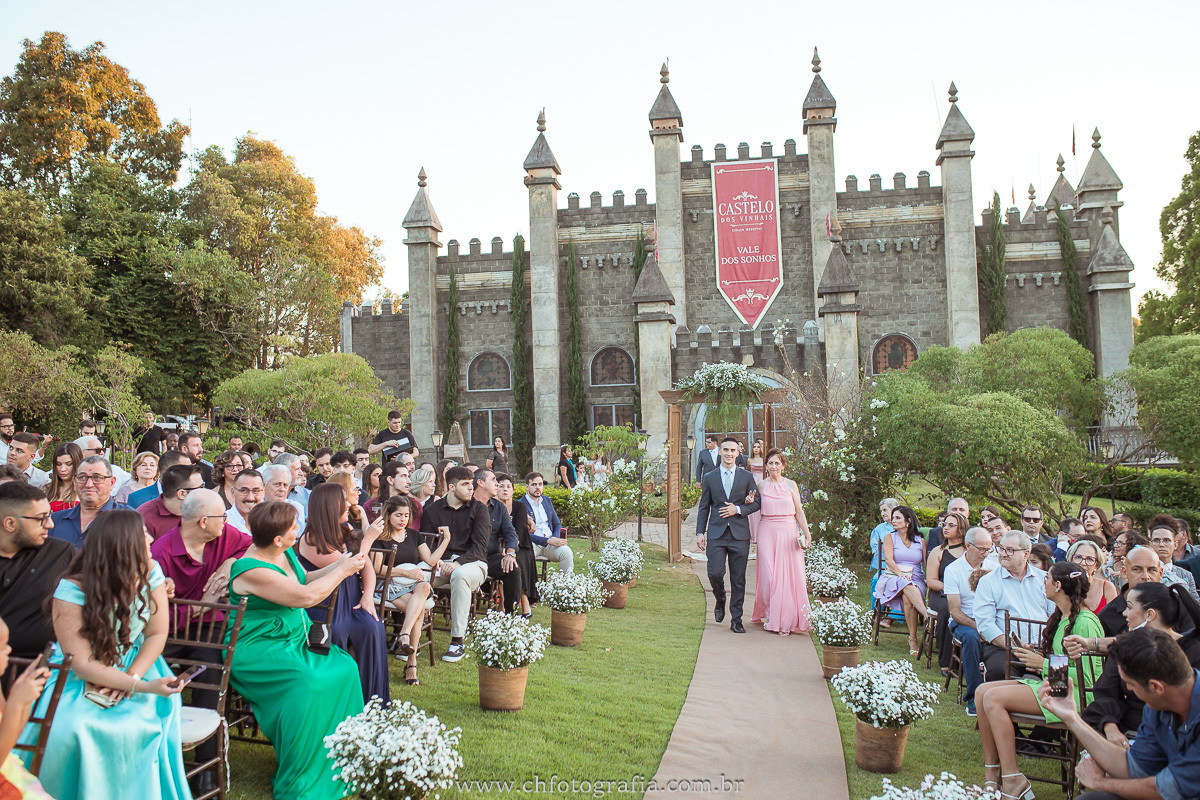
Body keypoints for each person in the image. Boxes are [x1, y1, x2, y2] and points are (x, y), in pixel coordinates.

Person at [27, 510, 191, 800]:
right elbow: (81, 662)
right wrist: (138, 686)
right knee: (74, 726)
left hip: (138, 662)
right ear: (121, 543)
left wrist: (132, 677)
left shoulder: (150, 570)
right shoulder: (71, 589)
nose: (150, 538)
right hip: (78, 674)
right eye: (142, 535)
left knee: (138, 723)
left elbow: (156, 634)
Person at [228, 501, 367, 800]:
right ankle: (303, 770)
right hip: (258, 647)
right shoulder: (249, 568)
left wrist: (342, 563)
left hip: (293, 638)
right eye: (294, 527)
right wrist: (342, 571)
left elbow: (304, 579)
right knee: (309, 683)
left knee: (345, 668)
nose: (299, 530)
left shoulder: (284, 552)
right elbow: (305, 597)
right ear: (277, 538)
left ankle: (345, 757)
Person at [150, 488, 251, 794]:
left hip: (209, 630)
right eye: (222, 516)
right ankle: (158, 753)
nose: (228, 520)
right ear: (204, 521)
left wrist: (231, 563)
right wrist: (202, 604)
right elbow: (156, 615)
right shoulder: (162, 554)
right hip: (167, 632)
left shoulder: (224, 537)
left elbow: (252, 545)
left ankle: (206, 766)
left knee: (210, 668)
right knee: (156, 672)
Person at [974, 562, 1104, 800]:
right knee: (982, 691)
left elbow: (1088, 680)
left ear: (1058, 585)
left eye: (1046, 579)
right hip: (1058, 685)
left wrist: (1041, 664)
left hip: (1074, 697)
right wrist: (1037, 656)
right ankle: (992, 775)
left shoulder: (1084, 621)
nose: (1042, 583)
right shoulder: (1062, 617)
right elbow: (1064, 664)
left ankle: (1013, 778)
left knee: (993, 698)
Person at [1036, 627, 1200, 800]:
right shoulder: (1158, 707)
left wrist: (1099, 782)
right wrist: (1072, 718)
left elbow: (1172, 790)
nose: (1128, 689)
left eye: (1130, 684)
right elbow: (1133, 767)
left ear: (1155, 687)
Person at [296, 483, 388, 704]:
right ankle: (343, 700)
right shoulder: (311, 540)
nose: (348, 504)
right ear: (329, 507)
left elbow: (366, 567)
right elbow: (351, 565)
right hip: (326, 607)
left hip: (352, 601)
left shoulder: (345, 530)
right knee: (339, 632)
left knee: (373, 626)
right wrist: (368, 540)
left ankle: (372, 701)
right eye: (342, 501)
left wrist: (367, 596)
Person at [1081, 582, 1200, 748]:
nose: (1124, 613)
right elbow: (1106, 692)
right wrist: (1110, 727)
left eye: (1129, 607)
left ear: (1149, 614)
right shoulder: (1127, 646)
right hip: (1127, 731)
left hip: (1178, 738)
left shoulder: (1193, 651)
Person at [370, 495, 449, 685]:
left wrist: (446, 540)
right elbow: (377, 568)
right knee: (419, 609)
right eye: (398, 515)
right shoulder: (379, 537)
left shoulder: (413, 535)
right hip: (389, 584)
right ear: (388, 515)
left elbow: (430, 561)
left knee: (423, 586)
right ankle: (411, 664)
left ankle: (404, 634)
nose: (403, 519)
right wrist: (406, 574)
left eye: (406, 515)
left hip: (413, 585)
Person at [420, 466, 491, 662]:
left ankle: (457, 641)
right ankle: (412, 637)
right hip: (440, 564)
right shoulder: (432, 511)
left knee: (460, 576)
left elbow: (479, 548)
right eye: (466, 484)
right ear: (451, 487)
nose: (471, 488)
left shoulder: (479, 509)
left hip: (473, 564)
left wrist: (458, 563)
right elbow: (426, 543)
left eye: (471, 484)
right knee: (417, 575)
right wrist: (438, 561)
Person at [694, 437, 762, 634]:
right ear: (720, 452)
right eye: (726, 450)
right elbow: (704, 507)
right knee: (714, 573)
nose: (729, 453)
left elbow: (756, 503)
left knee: (738, 578)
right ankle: (720, 598)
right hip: (716, 533)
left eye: (733, 450)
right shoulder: (710, 477)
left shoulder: (746, 476)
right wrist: (700, 532)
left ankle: (736, 619)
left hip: (739, 534)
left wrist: (738, 509)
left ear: (738, 453)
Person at [0, 483, 76, 658]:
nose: (50, 524)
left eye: (49, 516)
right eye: (41, 518)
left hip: (44, 670)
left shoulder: (62, 553)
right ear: (10, 523)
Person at [973, 530, 1055, 683]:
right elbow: (985, 624)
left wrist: (1045, 652)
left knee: (1058, 679)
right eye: (1001, 548)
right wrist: (1016, 647)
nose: (1003, 554)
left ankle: (1058, 704)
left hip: (1045, 648)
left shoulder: (1044, 579)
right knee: (998, 671)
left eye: (1010, 550)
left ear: (1026, 554)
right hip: (1005, 648)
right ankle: (999, 704)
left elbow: (1054, 615)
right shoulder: (988, 581)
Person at [749, 448, 812, 635]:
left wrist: (807, 534)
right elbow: (753, 506)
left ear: (783, 465)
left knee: (790, 576)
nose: (774, 466)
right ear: (766, 466)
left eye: (777, 463)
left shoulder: (791, 485)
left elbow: (799, 511)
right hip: (767, 530)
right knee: (769, 576)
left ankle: (783, 618)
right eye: (770, 463)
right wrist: (748, 500)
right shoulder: (761, 486)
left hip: (788, 530)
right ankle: (770, 611)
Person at [0, 613, 55, 798]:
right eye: (2, 647)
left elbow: (13, 735)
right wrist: (15, 703)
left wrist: (24, 698)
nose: (9, 650)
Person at [945, 526, 996, 716]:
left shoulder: (994, 567)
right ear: (968, 545)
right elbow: (954, 610)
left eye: (989, 549)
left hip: (989, 619)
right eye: (982, 549)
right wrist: (980, 627)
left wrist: (990, 627)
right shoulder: (954, 570)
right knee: (972, 638)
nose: (985, 553)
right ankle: (974, 696)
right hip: (965, 620)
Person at [875, 505, 931, 655]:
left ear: (908, 521)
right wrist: (901, 574)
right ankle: (928, 617)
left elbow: (926, 564)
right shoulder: (890, 537)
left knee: (908, 597)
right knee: (906, 582)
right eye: (893, 518)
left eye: (897, 518)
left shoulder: (920, 541)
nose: (893, 520)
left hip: (916, 578)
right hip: (893, 576)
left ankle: (913, 639)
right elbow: (888, 560)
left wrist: (931, 579)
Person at [49, 456, 129, 548]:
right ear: (74, 482)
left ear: (112, 483)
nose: (89, 484)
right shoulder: (56, 521)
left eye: (97, 478)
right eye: (82, 477)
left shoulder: (128, 521)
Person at [473, 469, 522, 617]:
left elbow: (510, 533)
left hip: (491, 558)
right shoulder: (467, 505)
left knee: (513, 569)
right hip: (470, 557)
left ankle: (511, 617)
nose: (497, 484)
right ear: (480, 483)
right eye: (494, 480)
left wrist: (510, 553)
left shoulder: (498, 507)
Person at [926, 511, 968, 671]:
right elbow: (931, 581)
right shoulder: (939, 551)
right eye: (944, 525)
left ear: (962, 529)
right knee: (948, 609)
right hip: (941, 594)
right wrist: (952, 588)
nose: (946, 528)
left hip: (966, 594)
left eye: (951, 525)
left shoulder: (968, 551)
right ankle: (946, 661)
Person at [497, 474, 537, 616]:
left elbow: (519, 529)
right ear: (495, 489)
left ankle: (524, 601)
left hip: (520, 546)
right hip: (498, 546)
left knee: (516, 561)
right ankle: (502, 601)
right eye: (501, 486)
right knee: (502, 559)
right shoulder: (492, 507)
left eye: (508, 486)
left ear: (513, 490)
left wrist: (510, 547)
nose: (505, 489)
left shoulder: (520, 506)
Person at [519, 472, 573, 573]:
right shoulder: (520, 504)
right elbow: (523, 534)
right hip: (532, 544)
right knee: (524, 555)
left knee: (567, 552)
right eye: (534, 484)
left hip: (551, 544)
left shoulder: (546, 500)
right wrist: (547, 541)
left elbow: (557, 524)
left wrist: (555, 538)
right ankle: (528, 587)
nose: (538, 487)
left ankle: (566, 585)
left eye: (540, 484)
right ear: (527, 487)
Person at [137, 464, 204, 542]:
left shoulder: (205, 511)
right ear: (182, 494)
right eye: (201, 487)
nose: (205, 491)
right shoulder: (145, 517)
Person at [1148, 515, 1200, 601]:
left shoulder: (1186, 575)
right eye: (1156, 540)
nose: (1161, 544)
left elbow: (1195, 605)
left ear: (1175, 545)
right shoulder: (1143, 572)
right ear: (1150, 544)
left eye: (1166, 540)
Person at [127, 449, 191, 510]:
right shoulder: (137, 498)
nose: (191, 473)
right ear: (170, 471)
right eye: (186, 469)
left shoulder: (193, 494)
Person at [1069, 537, 1120, 613]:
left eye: (1090, 559)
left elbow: (1113, 619)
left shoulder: (1107, 588)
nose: (1083, 563)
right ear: (1070, 560)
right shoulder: (1062, 586)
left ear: (1096, 566)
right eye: (1078, 557)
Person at [258, 463, 307, 530]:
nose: (282, 489)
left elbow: (297, 537)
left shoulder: (297, 509)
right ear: (264, 485)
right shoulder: (254, 507)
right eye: (277, 484)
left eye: (285, 485)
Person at [45, 441, 82, 512]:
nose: (62, 469)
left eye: (68, 464)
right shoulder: (47, 489)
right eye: (58, 464)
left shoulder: (85, 489)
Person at [226, 469, 264, 535]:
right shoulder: (224, 523)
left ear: (263, 492)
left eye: (255, 491)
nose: (250, 497)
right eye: (244, 491)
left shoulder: (270, 522)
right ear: (233, 492)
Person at [870, 498, 901, 577]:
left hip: (906, 566)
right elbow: (875, 551)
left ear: (894, 510)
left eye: (885, 510)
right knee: (876, 580)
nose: (882, 514)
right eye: (881, 511)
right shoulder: (878, 530)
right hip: (885, 568)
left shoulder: (907, 527)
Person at [745, 439, 765, 548]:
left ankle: (760, 534)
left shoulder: (764, 459)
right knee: (753, 509)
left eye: (758, 447)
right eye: (754, 447)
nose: (756, 449)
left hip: (762, 481)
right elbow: (748, 472)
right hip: (753, 482)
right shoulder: (749, 460)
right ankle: (752, 534)